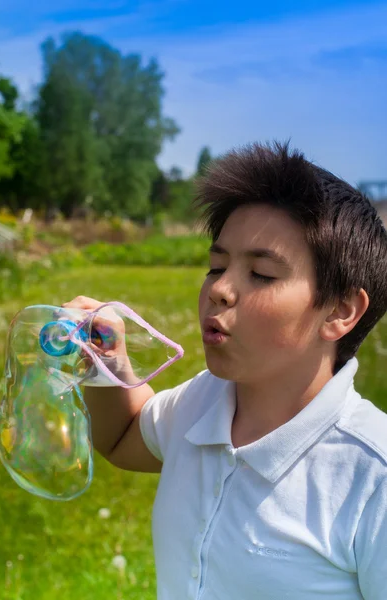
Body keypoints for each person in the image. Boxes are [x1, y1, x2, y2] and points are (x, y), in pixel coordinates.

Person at [62, 141, 387, 600]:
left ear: (340, 310)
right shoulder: (201, 403)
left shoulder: (371, 476)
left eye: (262, 274)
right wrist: (107, 363)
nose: (220, 290)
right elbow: (124, 435)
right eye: (217, 266)